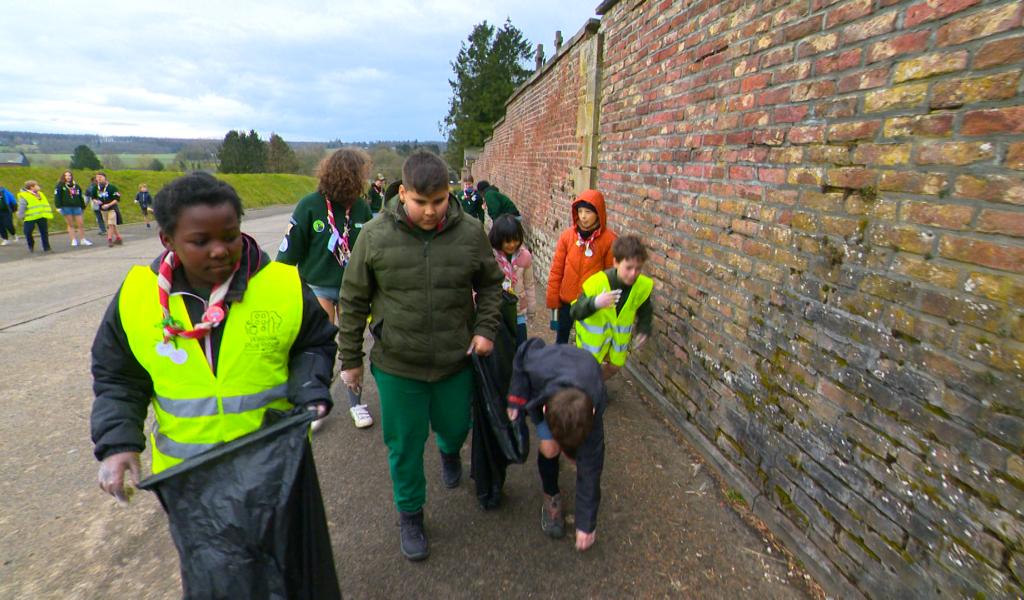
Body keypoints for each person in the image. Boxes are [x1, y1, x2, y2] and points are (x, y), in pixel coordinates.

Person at [90, 170, 336, 506]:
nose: (220, 251)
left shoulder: (282, 285)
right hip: (190, 483)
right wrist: (117, 443)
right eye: (201, 241)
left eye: (230, 236)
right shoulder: (136, 298)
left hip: (277, 471)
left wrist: (310, 388)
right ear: (168, 240)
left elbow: (314, 343)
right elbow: (118, 378)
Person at [337, 150, 504, 561]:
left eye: (439, 201)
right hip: (398, 364)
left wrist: (485, 330)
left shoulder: (469, 233)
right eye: (421, 202)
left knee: (455, 425)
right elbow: (353, 299)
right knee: (404, 445)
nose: (431, 212)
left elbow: (492, 285)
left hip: (454, 361)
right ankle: (410, 514)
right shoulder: (374, 236)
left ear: (449, 193)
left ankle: (449, 450)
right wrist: (351, 360)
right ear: (403, 193)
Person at [277, 148, 375, 430]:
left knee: (351, 345)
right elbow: (287, 255)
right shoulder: (309, 206)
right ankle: (316, 404)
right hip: (317, 287)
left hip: (352, 290)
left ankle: (356, 404)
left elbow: (371, 252)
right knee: (317, 347)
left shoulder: (361, 208)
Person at [505, 338, 607, 552]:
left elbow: (592, 466)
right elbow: (525, 349)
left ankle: (571, 451)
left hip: (581, 373)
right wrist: (516, 397)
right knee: (550, 447)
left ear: (594, 412)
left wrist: (586, 525)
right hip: (549, 382)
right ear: (544, 411)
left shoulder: (596, 399)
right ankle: (550, 493)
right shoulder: (537, 364)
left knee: (586, 460)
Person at [570, 235, 654, 380]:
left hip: (617, 342)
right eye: (628, 268)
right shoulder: (596, 284)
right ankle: (584, 388)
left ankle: (596, 384)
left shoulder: (642, 286)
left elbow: (645, 310)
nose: (633, 274)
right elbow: (575, 311)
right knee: (586, 371)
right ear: (616, 262)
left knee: (615, 366)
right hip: (593, 343)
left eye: (638, 268)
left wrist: (644, 329)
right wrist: (595, 303)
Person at [546, 189, 617, 344]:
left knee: (587, 343)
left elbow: (610, 275)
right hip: (566, 300)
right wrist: (553, 298)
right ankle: (559, 366)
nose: (583, 216)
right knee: (561, 339)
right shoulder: (567, 236)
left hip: (591, 302)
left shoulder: (609, 240)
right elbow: (557, 269)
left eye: (588, 212)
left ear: (598, 213)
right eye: (580, 211)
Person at [489, 214, 535, 346]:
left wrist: (531, 307)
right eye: (507, 241)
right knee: (502, 347)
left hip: (518, 309)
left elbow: (529, 283)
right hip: (498, 311)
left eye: (515, 240)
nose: (512, 245)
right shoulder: (491, 256)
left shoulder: (525, 256)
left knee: (521, 345)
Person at [54, 170, 92, 247]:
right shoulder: (60, 186)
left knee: (80, 224)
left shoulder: (76, 186)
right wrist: (58, 207)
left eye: (69, 175)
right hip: (66, 207)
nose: (68, 177)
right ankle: (73, 240)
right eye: (66, 175)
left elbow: (80, 196)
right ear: (63, 177)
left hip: (77, 207)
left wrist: (83, 206)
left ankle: (82, 239)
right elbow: (57, 197)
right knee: (70, 224)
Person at [16, 180, 54, 253]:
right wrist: (21, 216)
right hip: (30, 217)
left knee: (44, 232)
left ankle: (47, 247)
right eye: (37, 185)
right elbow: (22, 206)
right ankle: (31, 245)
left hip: (42, 216)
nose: (38, 187)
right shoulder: (24, 195)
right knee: (28, 232)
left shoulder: (41, 194)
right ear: (32, 187)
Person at [89, 172, 123, 247]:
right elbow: (93, 197)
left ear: (105, 178)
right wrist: (96, 201)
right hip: (102, 210)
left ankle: (109, 239)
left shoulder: (112, 187)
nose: (99, 179)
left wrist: (108, 204)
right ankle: (118, 238)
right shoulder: (95, 188)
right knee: (111, 225)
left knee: (110, 224)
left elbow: (116, 199)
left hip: (112, 208)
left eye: (100, 177)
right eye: (97, 177)